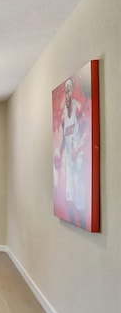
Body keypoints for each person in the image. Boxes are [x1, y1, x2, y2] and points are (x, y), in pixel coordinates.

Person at [54, 78, 88, 228]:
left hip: (78, 158)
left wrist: (78, 148)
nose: (67, 93)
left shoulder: (78, 108)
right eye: (65, 91)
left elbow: (87, 130)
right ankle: (73, 221)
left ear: (73, 90)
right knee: (69, 196)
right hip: (69, 158)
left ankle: (82, 220)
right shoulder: (63, 117)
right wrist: (59, 153)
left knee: (80, 197)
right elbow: (62, 137)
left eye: (69, 90)